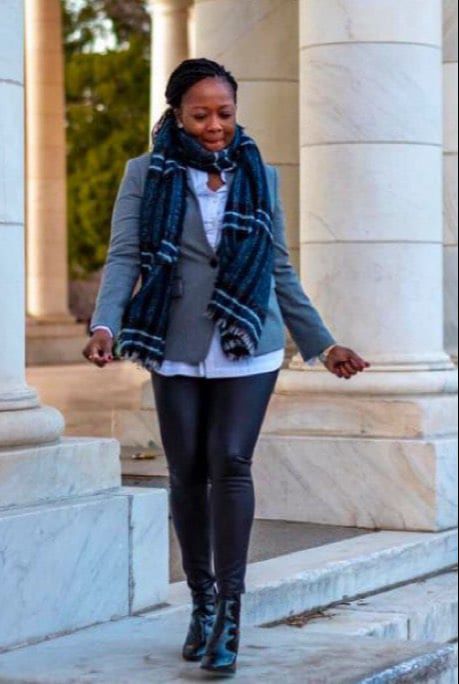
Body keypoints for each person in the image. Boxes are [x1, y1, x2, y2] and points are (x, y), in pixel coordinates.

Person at [83, 58, 370, 677]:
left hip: (250, 339)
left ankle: (230, 617)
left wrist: (323, 345)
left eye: (225, 113)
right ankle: (202, 602)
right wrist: (106, 324)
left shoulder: (260, 174)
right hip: (174, 341)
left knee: (231, 461)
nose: (214, 126)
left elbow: (279, 268)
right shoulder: (144, 174)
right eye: (200, 115)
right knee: (187, 471)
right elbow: (125, 256)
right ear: (176, 115)